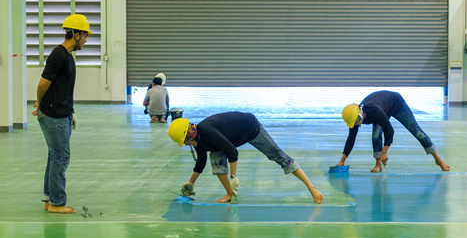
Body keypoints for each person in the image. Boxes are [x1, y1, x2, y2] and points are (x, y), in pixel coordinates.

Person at [167, 112, 324, 204]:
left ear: (189, 134)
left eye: (185, 141)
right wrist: (190, 183)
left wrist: (234, 176)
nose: (187, 144)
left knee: (277, 155)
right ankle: (230, 194)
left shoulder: (207, 131)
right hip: (231, 137)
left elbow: (232, 152)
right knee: (216, 159)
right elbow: (200, 162)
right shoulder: (198, 139)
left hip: (251, 128)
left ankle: (311, 187)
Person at [31, 14, 91, 214]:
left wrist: (70, 112)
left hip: (61, 114)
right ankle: (57, 202)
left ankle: (50, 199)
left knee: (54, 156)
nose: (86, 39)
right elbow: (42, 84)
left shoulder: (67, 56)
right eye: (84, 35)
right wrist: (40, 104)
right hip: (54, 116)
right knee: (61, 156)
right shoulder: (58, 55)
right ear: (75, 34)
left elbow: (61, 88)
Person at [336, 90, 450, 173]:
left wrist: (385, 152)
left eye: (357, 122)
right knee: (376, 134)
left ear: (360, 115)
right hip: (383, 106)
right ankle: (378, 165)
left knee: (416, 130)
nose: (356, 125)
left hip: (397, 103)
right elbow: (351, 139)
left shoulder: (374, 110)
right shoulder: (354, 118)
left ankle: (438, 160)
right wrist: (342, 161)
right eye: (354, 123)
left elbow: (389, 130)